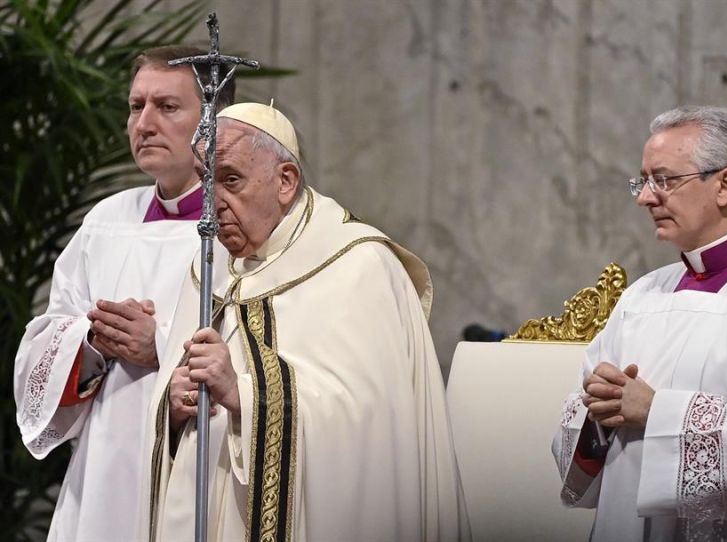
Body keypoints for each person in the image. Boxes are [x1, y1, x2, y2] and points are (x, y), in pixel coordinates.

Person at [143, 102, 470, 542]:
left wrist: (242, 393)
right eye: (205, 181)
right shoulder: (210, 267)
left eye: (231, 180)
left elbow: (371, 427)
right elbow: (172, 396)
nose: (211, 204)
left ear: (285, 181)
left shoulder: (358, 265)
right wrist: (175, 403)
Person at [14, 45, 235, 541]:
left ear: (214, 122)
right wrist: (89, 342)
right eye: (137, 106)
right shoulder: (106, 221)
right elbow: (41, 345)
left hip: (198, 462)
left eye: (167, 106)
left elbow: (267, 355)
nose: (144, 123)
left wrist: (158, 345)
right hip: (102, 470)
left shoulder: (241, 227)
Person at [553, 105, 727, 541]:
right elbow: (586, 409)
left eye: (664, 180)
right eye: (643, 181)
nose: (645, 197)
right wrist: (597, 412)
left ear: (726, 184)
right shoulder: (643, 294)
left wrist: (655, 410)